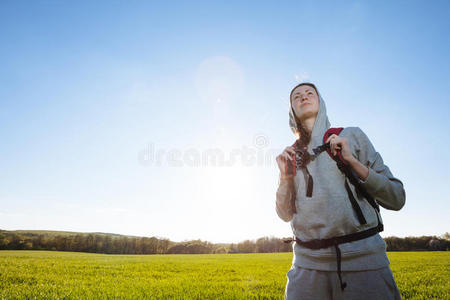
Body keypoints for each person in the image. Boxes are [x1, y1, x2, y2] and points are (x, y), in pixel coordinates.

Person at [275, 82, 405, 300]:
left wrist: (352, 162)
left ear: (321, 103)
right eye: (296, 96)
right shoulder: (291, 156)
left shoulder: (351, 137)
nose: (303, 97)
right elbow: (284, 214)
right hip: (306, 269)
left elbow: (397, 198)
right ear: (292, 110)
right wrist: (284, 177)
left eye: (310, 93)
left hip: (365, 266)